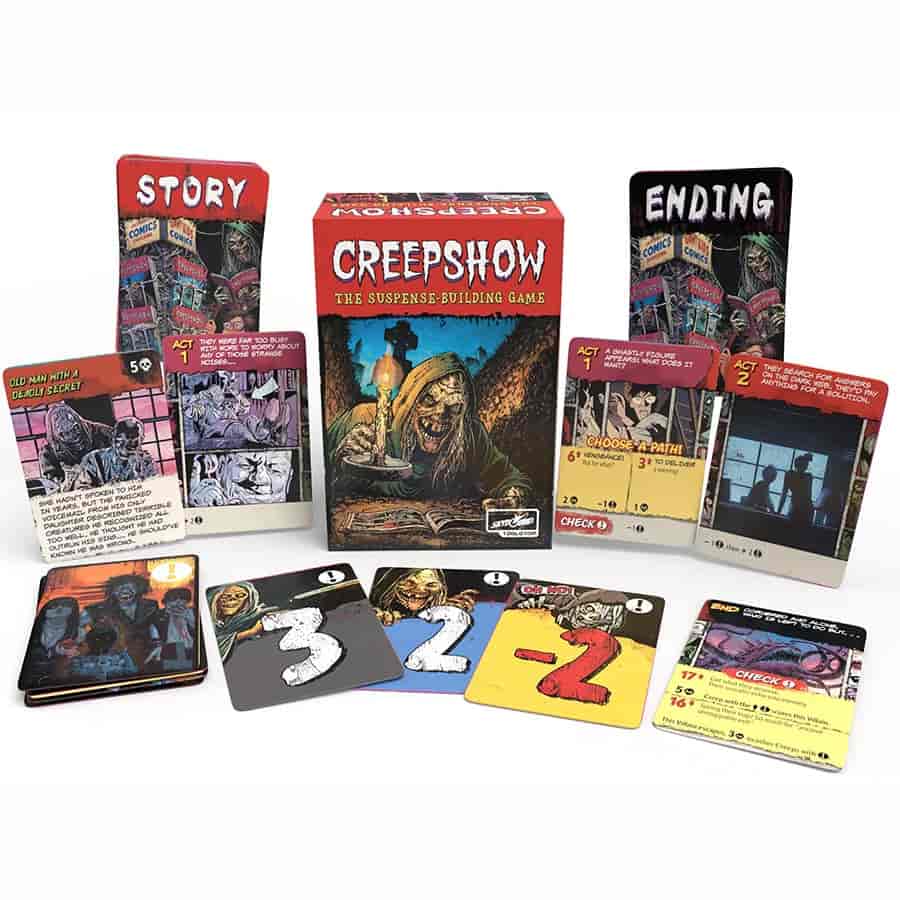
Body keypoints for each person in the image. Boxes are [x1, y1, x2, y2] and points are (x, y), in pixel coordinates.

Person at [327, 352, 530, 509]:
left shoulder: (470, 437)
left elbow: (509, 478)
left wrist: (514, 497)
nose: (440, 413)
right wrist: (339, 459)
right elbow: (318, 472)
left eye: (454, 406)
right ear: (409, 399)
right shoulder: (363, 421)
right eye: (429, 400)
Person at [778, 452, 815, 525]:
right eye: (804, 465)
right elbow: (784, 493)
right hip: (800, 507)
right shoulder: (791, 474)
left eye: (805, 465)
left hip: (804, 508)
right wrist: (779, 511)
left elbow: (808, 496)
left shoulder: (807, 477)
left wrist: (779, 511)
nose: (805, 467)